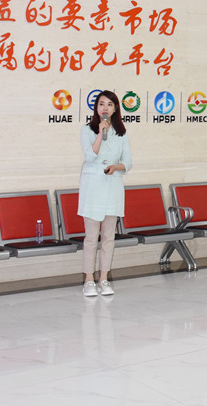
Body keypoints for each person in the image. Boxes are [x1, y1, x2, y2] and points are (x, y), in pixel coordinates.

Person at [79, 90, 132, 297]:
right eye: (102, 104)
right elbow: (89, 156)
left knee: (108, 237)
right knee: (91, 237)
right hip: (93, 187)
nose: (105, 108)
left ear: (115, 109)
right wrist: (101, 134)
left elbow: (127, 162)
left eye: (110, 105)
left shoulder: (122, 133)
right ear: (96, 107)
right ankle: (88, 280)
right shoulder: (87, 130)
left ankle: (103, 278)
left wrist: (115, 167)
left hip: (113, 187)